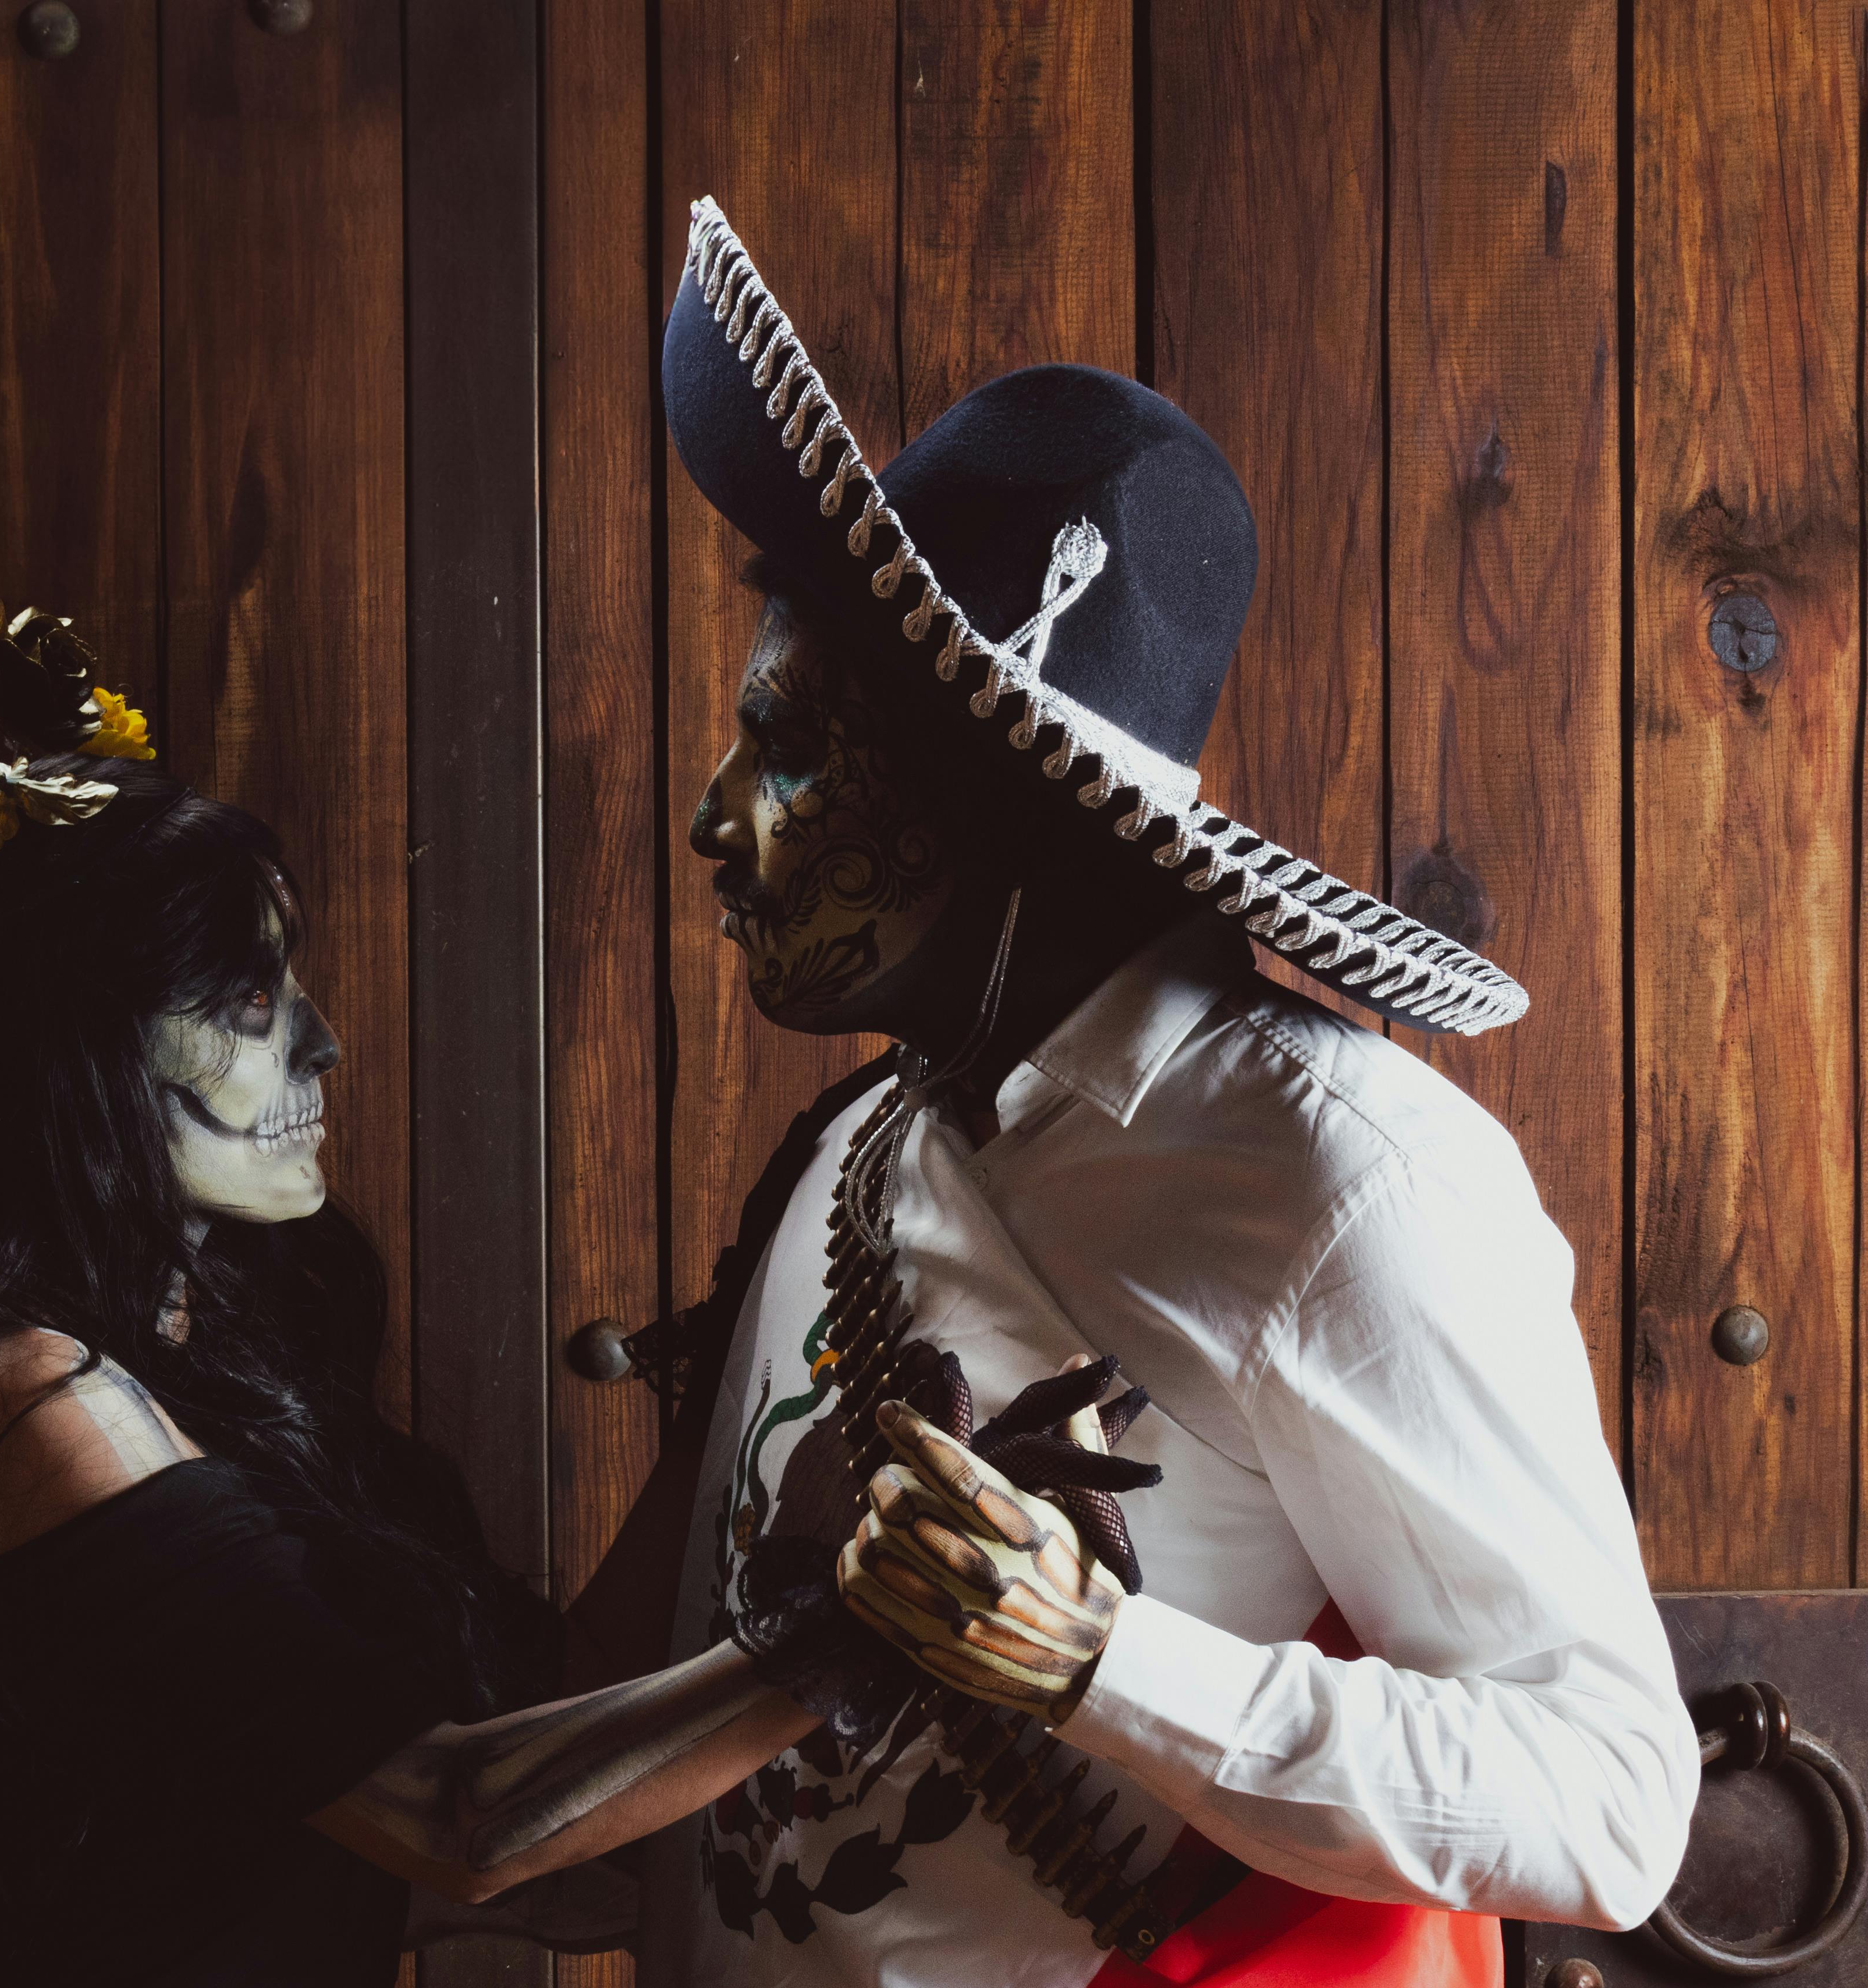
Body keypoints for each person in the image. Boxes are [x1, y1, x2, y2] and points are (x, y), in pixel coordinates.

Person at [568, 199, 1698, 1987]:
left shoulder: (1350, 1187)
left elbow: (1610, 1800)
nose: (712, 818)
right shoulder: (855, 1148)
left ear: (997, 798)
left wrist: (1098, 1661)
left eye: (783, 748)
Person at [0, 762, 936, 1986]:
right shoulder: (27, 1399)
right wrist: (861, 1625)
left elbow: (547, 1692)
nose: (321, 1041)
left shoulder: (206, 1348)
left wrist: (730, 1363)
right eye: (246, 997)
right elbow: (457, 1813)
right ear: (76, 1051)